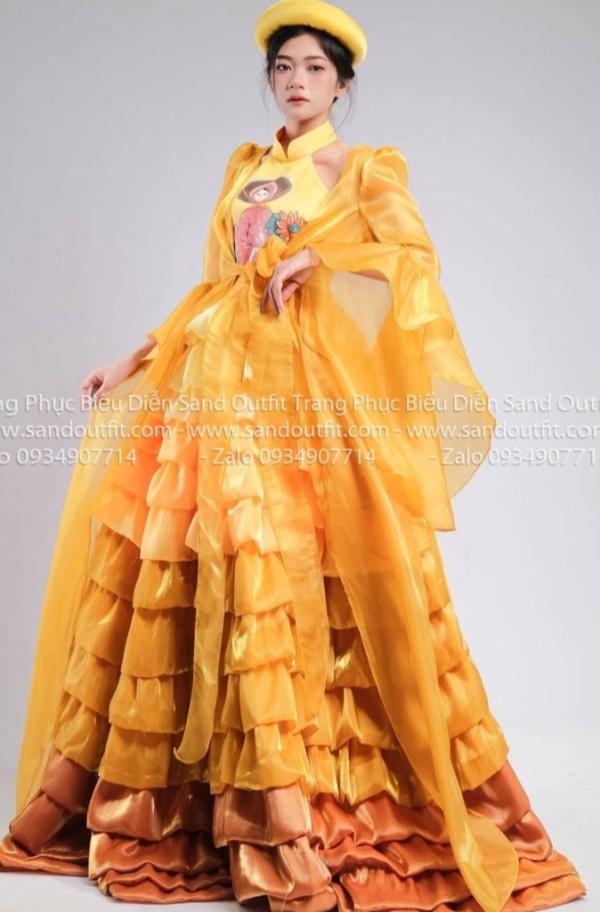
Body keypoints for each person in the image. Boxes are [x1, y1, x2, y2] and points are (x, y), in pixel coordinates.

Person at [0, 0, 587, 909]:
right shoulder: (246, 167)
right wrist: (134, 357)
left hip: (305, 398)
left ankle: (303, 806)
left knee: (310, 575)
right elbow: (212, 285)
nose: (298, 82)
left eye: (315, 69)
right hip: (217, 386)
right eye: (284, 69)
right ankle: (210, 810)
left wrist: (324, 259)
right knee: (217, 569)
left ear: (343, 85)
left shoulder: (362, 168)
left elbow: (411, 259)